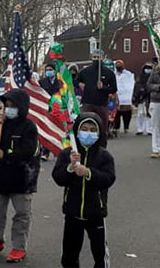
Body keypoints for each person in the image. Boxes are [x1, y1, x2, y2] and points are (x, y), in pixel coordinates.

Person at [0, 89, 40, 263]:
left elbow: (28, 151)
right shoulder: (2, 123)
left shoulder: (29, 127)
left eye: (13, 105)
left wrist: (5, 155)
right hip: (0, 178)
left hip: (22, 178)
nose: (9, 108)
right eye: (7, 105)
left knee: (22, 213)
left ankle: (19, 247)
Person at [52, 113, 116, 268]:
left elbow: (108, 179)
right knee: (69, 254)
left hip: (95, 213)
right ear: (77, 131)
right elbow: (58, 178)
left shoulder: (104, 156)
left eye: (93, 130)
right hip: (72, 213)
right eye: (85, 129)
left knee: (100, 254)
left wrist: (89, 173)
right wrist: (69, 168)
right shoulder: (68, 154)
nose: (88, 133)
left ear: (99, 132)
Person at [77, 49, 117, 145]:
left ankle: (101, 147)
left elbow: (114, 89)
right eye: (94, 57)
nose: (96, 59)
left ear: (102, 58)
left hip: (102, 104)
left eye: (98, 57)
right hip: (87, 103)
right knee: (84, 125)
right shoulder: (85, 71)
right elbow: (75, 80)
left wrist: (103, 88)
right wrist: (79, 84)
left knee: (102, 128)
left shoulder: (109, 73)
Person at [113, 60, 134, 134]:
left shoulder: (128, 74)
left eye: (120, 64)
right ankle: (116, 127)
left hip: (126, 97)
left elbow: (131, 84)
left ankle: (126, 127)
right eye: (117, 64)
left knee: (127, 113)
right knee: (116, 113)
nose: (118, 65)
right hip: (117, 95)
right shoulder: (113, 74)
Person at [133, 63, 153, 136]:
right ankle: (140, 129)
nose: (148, 70)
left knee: (149, 114)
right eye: (146, 68)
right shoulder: (140, 78)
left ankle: (150, 129)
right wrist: (135, 98)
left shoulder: (153, 78)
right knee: (140, 114)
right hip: (141, 99)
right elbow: (136, 88)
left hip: (150, 98)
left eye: (149, 68)